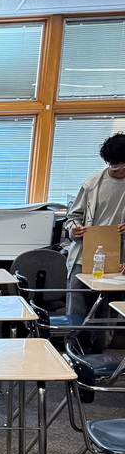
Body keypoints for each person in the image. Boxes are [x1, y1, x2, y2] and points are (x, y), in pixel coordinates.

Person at [64, 132, 125, 352]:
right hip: (85, 257)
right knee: (77, 313)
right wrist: (74, 229)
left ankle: (99, 360)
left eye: (120, 165)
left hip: (118, 260)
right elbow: (72, 217)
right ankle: (75, 357)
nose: (116, 169)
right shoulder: (92, 184)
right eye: (112, 164)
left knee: (107, 315)